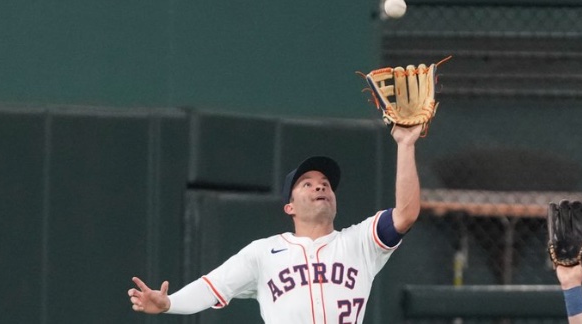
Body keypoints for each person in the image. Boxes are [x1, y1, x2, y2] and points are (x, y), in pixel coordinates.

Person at [127, 124, 424, 323]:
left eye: (325, 184)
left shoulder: (360, 243)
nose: (320, 187)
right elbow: (212, 287)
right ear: (289, 206)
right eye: (307, 184)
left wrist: (406, 144)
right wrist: (169, 304)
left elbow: (406, 213)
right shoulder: (263, 253)